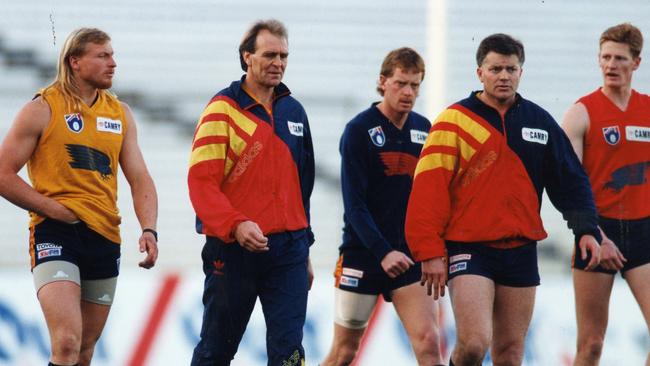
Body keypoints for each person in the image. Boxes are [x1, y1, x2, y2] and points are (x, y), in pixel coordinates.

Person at [405, 33, 602, 366]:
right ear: (480, 72)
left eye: (511, 69)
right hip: (470, 248)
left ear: (521, 72)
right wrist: (429, 251)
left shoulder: (539, 123)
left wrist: (586, 229)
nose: (504, 76)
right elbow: (428, 190)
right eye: (496, 69)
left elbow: (571, 180)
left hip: (521, 250)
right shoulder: (453, 122)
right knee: (473, 344)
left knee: (510, 355)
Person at [0, 28, 159, 366]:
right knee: (67, 341)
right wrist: (51, 209)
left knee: (85, 349)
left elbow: (140, 176)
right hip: (55, 233)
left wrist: (149, 229)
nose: (113, 63)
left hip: (104, 235)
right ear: (75, 61)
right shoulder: (43, 108)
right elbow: (3, 174)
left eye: (112, 55)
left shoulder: (120, 114)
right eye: (103, 55)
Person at [188, 19, 315, 366]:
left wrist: (305, 246)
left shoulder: (294, 111)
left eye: (284, 56)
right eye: (270, 54)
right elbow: (201, 183)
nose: (279, 63)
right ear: (247, 57)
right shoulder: (222, 110)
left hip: (289, 250)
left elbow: (303, 186)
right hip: (232, 250)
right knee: (216, 351)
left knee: (290, 354)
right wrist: (235, 224)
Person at [321, 47, 444, 366]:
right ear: (382, 82)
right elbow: (354, 204)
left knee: (429, 343)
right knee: (344, 352)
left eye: (415, 86)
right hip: (364, 253)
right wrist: (382, 251)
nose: (408, 92)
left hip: (409, 256)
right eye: (401, 83)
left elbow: (432, 198)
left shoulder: (424, 129)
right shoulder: (359, 130)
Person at [561, 23, 650, 366]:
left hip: (643, 232)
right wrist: (594, 233)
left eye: (619, 58)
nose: (611, 65)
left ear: (636, 63)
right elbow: (569, 185)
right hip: (597, 233)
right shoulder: (581, 113)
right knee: (592, 344)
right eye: (605, 57)